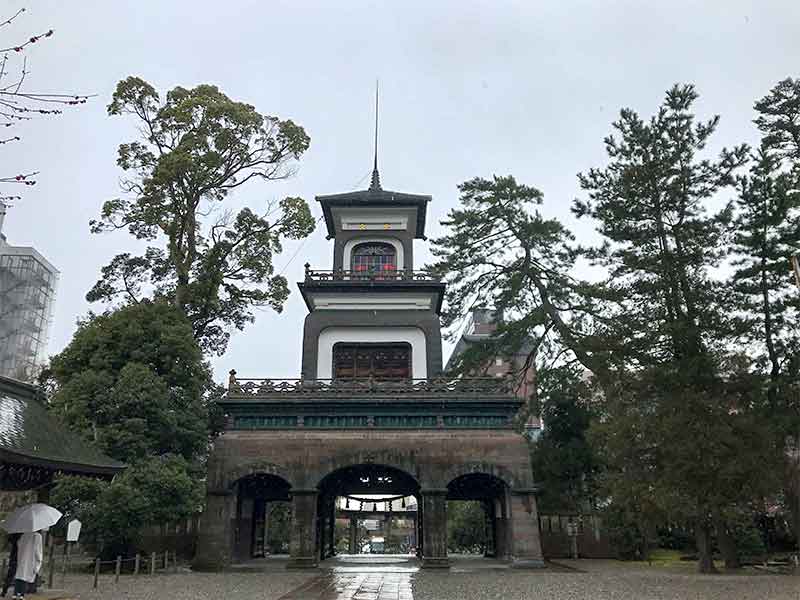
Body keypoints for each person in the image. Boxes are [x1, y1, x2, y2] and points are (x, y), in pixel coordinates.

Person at [12, 530, 42, 600]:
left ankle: (15, 594)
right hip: (31, 558)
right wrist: (39, 560)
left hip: (21, 557)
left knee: (19, 575)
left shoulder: (23, 535)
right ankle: (21, 595)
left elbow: (18, 544)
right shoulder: (37, 536)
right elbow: (38, 550)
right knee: (25, 576)